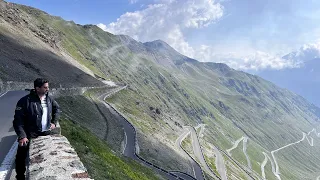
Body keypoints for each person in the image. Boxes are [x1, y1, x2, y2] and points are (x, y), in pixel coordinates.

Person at [13, 78, 60, 180]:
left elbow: (57, 109)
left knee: (46, 156)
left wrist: (54, 122)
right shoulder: (24, 101)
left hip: (46, 133)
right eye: (45, 87)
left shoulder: (49, 99)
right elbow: (18, 121)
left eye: (48, 87)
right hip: (29, 134)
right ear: (37, 88)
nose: (48, 89)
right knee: (21, 158)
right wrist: (22, 136)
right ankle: (20, 177)